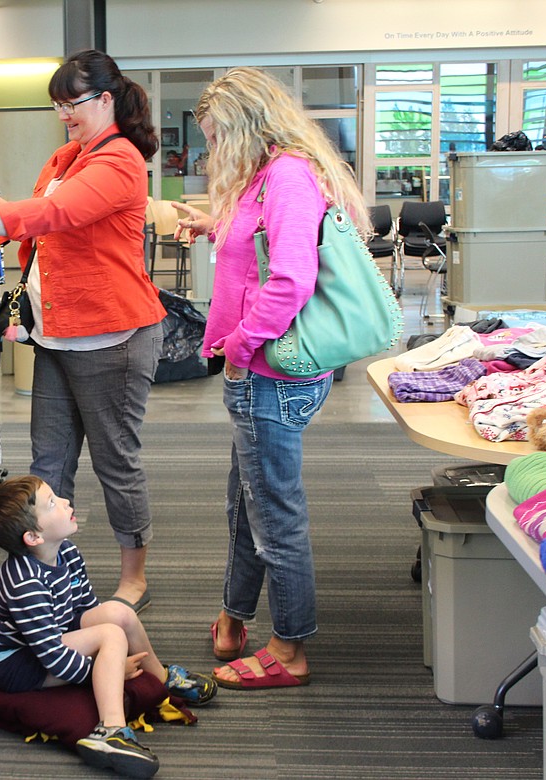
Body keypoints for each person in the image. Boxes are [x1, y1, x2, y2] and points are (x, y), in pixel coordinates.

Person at [0, 50, 166, 612]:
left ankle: (135, 576)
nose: (64, 114)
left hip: (113, 335)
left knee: (115, 461)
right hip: (55, 332)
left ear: (106, 99)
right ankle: (44, 570)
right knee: (47, 464)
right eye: (57, 105)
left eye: (73, 103)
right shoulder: (68, 155)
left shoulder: (120, 162)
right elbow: (36, 211)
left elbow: (55, 215)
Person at [170, 67, 371, 690]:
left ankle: (289, 648)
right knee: (246, 502)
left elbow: (289, 279)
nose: (211, 152)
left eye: (215, 137)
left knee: (274, 513)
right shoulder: (269, 175)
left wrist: (239, 344)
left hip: (268, 373)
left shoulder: (285, 175)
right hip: (260, 371)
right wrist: (214, 226)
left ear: (246, 127)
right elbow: (265, 246)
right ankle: (234, 616)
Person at [0, 475, 216, 778]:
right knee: (111, 634)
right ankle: (111, 731)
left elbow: (88, 609)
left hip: (52, 634)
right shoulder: (25, 583)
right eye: (52, 504)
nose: (66, 503)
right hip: (17, 660)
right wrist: (104, 667)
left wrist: (108, 646)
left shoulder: (67, 552)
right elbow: (52, 656)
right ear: (33, 537)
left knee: (119, 613)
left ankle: (162, 678)